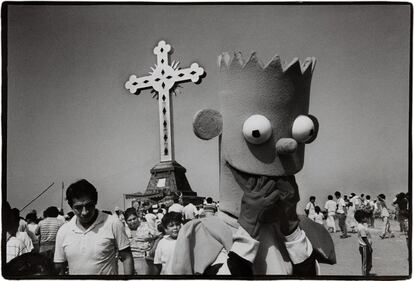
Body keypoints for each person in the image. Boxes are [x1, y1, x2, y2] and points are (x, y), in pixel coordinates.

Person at [171, 51, 335, 275]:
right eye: (257, 133)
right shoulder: (204, 234)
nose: (287, 145)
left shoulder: (300, 230)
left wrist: (291, 229)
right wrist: (247, 228)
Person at [54, 179, 134, 275]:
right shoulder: (63, 231)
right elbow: (59, 267)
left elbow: (126, 257)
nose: (84, 212)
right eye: (78, 207)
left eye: (89, 206)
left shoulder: (113, 223)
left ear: (95, 202)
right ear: (71, 207)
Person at [124, 207, 160, 275]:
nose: (132, 221)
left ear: (137, 217)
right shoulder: (124, 231)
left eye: (134, 218)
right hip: (128, 261)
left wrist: (153, 248)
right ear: (126, 221)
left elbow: (159, 236)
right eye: (129, 220)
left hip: (144, 260)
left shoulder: (147, 226)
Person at [354, 209, 373, 276]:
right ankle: (364, 275)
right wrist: (369, 246)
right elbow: (364, 238)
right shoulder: (361, 227)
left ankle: (367, 272)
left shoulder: (362, 225)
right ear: (361, 219)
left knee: (368, 261)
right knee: (365, 262)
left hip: (366, 246)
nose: (367, 218)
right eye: (365, 217)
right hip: (365, 246)